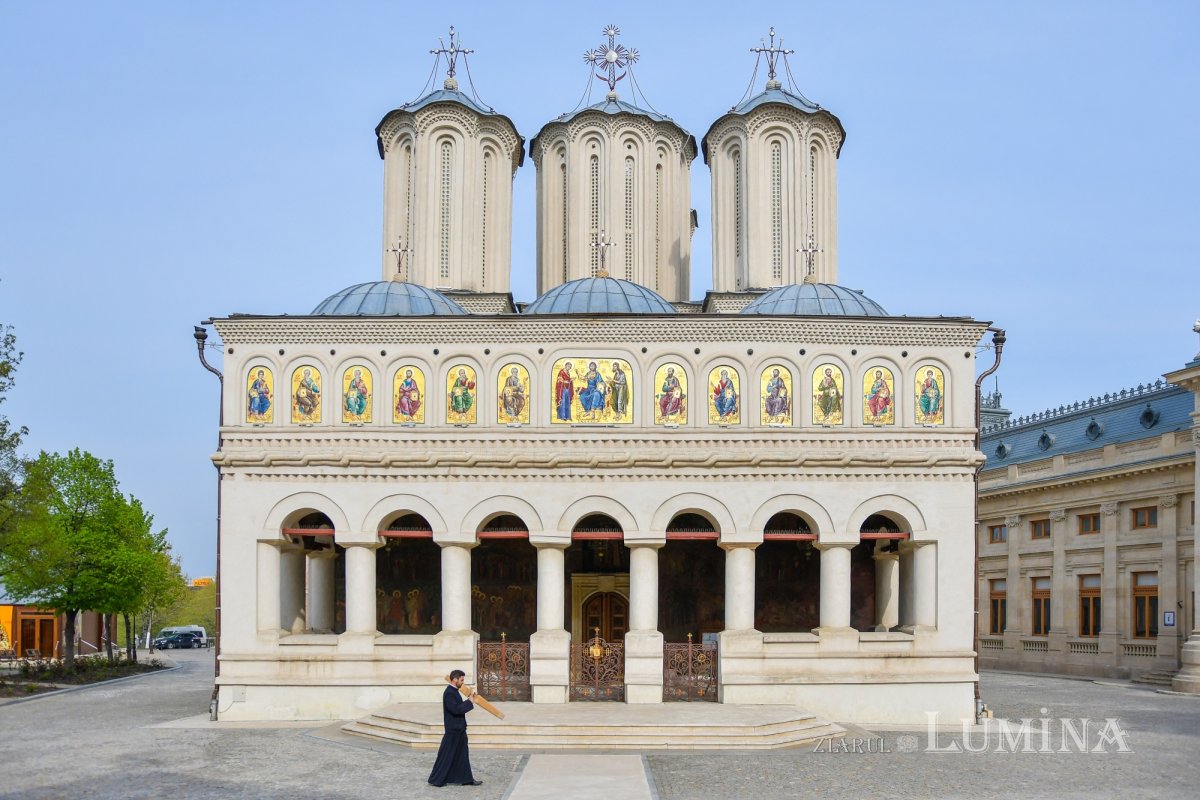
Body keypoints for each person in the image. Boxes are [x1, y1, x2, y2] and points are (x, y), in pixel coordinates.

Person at [428, 669, 482, 787]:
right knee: (447, 755)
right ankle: (437, 780)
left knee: (462, 755)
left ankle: (467, 779)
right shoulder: (449, 693)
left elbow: (458, 707)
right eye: (461, 680)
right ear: (455, 679)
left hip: (459, 729)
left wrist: (469, 701)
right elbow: (456, 709)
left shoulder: (454, 691)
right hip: (453, 730)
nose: (463, 682)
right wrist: (470, 702)